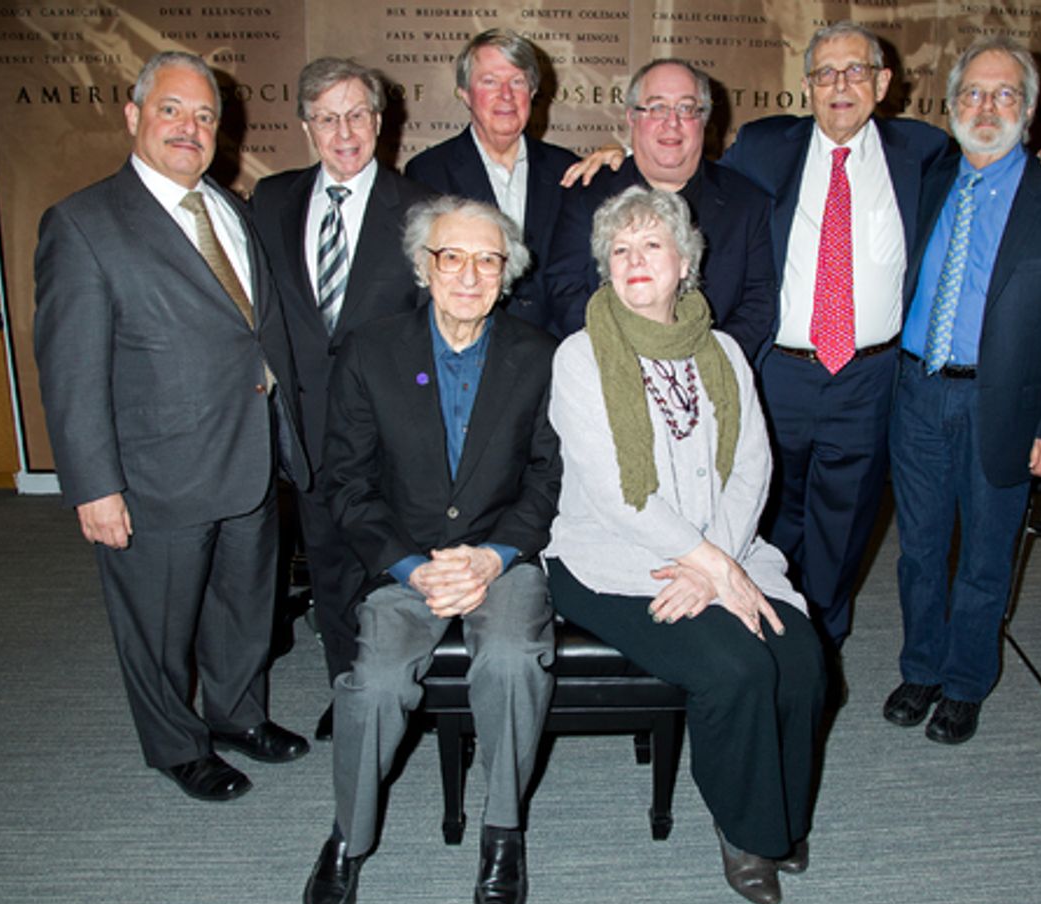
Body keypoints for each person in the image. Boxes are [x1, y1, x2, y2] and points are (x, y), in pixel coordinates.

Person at [33, 51, 311, 802]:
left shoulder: (229, 207)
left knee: (244, 605)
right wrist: (95, 486)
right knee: (157, 626)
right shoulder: (84, 224)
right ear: (133, 116)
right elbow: (70, 371)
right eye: (171, 110)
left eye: (205, 116)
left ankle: (237, 714)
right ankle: (174, 743)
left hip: (248, 455)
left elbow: (255, 331)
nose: (189, 128)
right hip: (155, 475)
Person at [544, 186, 825, 904]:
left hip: (723, 549)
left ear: (684, 262)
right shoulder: (580, 357)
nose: (636, 260)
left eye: (652, 246)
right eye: (620, 249)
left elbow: (753, 466)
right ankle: (747, 830)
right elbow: (617, 492)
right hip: (610, 559)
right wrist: (712, 567)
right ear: (606, 267)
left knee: (799, 655)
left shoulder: (725, 350)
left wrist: (718, 566)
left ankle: (785, 813)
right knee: (733, 667)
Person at [302, 196, 561, 904]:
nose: (471, 274)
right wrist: (411, 567)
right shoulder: (370, 351)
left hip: (502, 559)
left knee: (512, 660)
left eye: (489, 259)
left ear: (506, 273)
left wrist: (493, 554)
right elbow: (346, 483)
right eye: (454, 256)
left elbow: (547, 477)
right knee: (374, 682)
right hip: (404, 563)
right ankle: (348, 835)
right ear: (425, 266)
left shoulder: (538, 355)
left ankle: (503, 832)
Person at [885, 35, 1041, 744]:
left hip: (1005, 406)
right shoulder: (923, 177)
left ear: (1032, 111)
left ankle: (965, 682)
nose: (987, 107)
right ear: (951, 105)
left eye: (1005, 94)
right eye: (973, 94)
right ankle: (922, 666)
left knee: (985, 556)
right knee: (918, 549)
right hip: (917, 393)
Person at [720, 23, 951, 650]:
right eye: (826, 73)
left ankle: (820, 645)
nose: (840, 85)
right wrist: (618, 158)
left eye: (855, 72)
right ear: (807, 87)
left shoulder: (926, 153)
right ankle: (762, 633)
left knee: (844, 523)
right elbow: (692, 184)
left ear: (882, 82)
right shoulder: (763, 147)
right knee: (764, 512)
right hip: (780, 371)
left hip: (869, 376)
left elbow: (997, 176)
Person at [251, 58, 434, 741]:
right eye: (327, 117)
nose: (344, 131)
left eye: (357, 114)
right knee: (327, 563)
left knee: (386, 564)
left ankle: (403, 688)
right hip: (306, 425)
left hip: (392, 430)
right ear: (306, 127)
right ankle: (347, 686)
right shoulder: (270, 200)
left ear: (380, 124)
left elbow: (439, 327)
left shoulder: (421, 208)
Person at [544, 59, 776, 359]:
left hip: (711, 380)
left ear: (704, 118)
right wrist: (632, 361)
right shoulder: (589, 193)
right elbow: (566, 289)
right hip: (608, 369)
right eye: (656, 108)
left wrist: (701, 364)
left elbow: (758, 302)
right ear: (631, 117)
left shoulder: (747, 203)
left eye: (686, 108)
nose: (672, 122)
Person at [405, 29, 578, 331]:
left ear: (533, 92)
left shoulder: (568, 169)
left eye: (517, 81)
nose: (506, 95)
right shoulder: (427, 172)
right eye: (490, 82)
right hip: (474, 349)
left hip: (556, 350)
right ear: (464, 92)